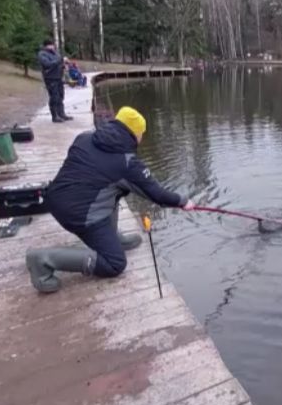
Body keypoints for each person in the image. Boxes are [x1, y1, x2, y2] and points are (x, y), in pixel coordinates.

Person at [26, 106, 195, 293]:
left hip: (54, 200)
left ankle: (112, 237)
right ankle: (43, 259)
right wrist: (183, 201)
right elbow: (159, 196)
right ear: (135, 134)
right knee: (115, 263)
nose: (142, 138)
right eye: (141, 134)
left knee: (112, 187)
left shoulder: (84, 138)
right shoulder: (128, 164)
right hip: (80, 216)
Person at [37, 39, 71, 123]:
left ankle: (61, 114)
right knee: (54, 97)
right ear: (46, 46)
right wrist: (60, 60)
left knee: (60, 96)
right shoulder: (42, 54)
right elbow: (47, 64)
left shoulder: (56, 53)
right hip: (50, 78)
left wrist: (64, 65)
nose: (53, 46)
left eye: (53, 45)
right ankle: (55, 116)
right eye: (51, 45)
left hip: (59, 77)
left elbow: (58, 64)